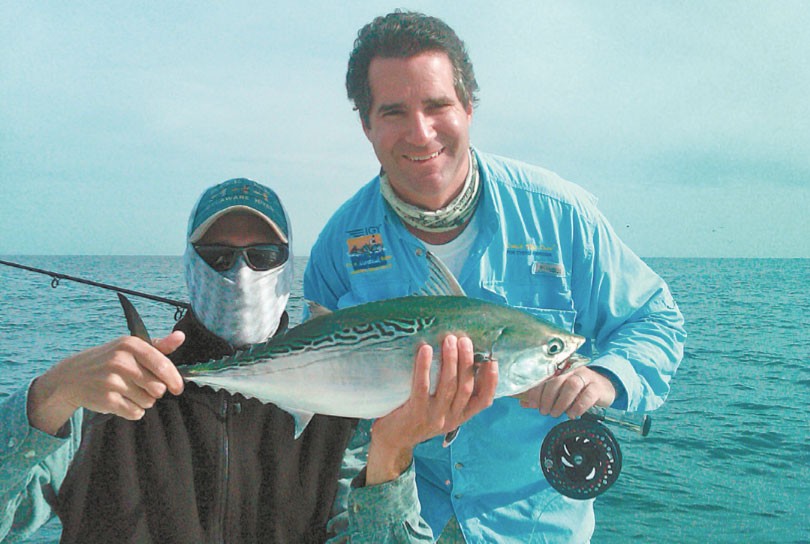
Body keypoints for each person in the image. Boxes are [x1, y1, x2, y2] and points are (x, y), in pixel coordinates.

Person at [304, 11, 687, 543]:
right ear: (366, 124)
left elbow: (655, 319)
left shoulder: (559, 214)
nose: (420, 132)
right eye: (394, 112)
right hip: (407, 516)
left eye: (437, 105)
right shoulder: (339, 245)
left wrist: (605, 378)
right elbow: (319, 394)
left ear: (467, 107)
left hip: (535, 524)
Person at [0, 177, 490, 544]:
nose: (240, 271)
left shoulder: (343, 414)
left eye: (263, 254)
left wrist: (390, 455)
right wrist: (48, 396)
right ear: (189, 265)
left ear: (287, 267)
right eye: (217, 255)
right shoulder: (107, 398)